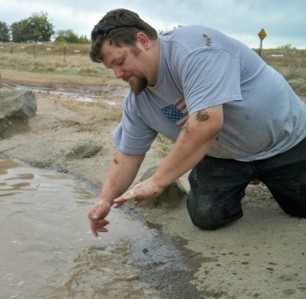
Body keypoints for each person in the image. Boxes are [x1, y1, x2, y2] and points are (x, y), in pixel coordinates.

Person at [87, 8, 306, 236]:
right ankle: (241, 182)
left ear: (142, 41)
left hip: (286, 142)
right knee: (206, 216)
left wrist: (157, 181)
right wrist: (105, 200)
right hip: (225, 157)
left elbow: (207, 122)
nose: (117, 74)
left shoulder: (196, 48)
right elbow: (128, 155)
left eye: (120, 62)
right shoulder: (137, 100)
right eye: (111, 68)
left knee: (301, 207)